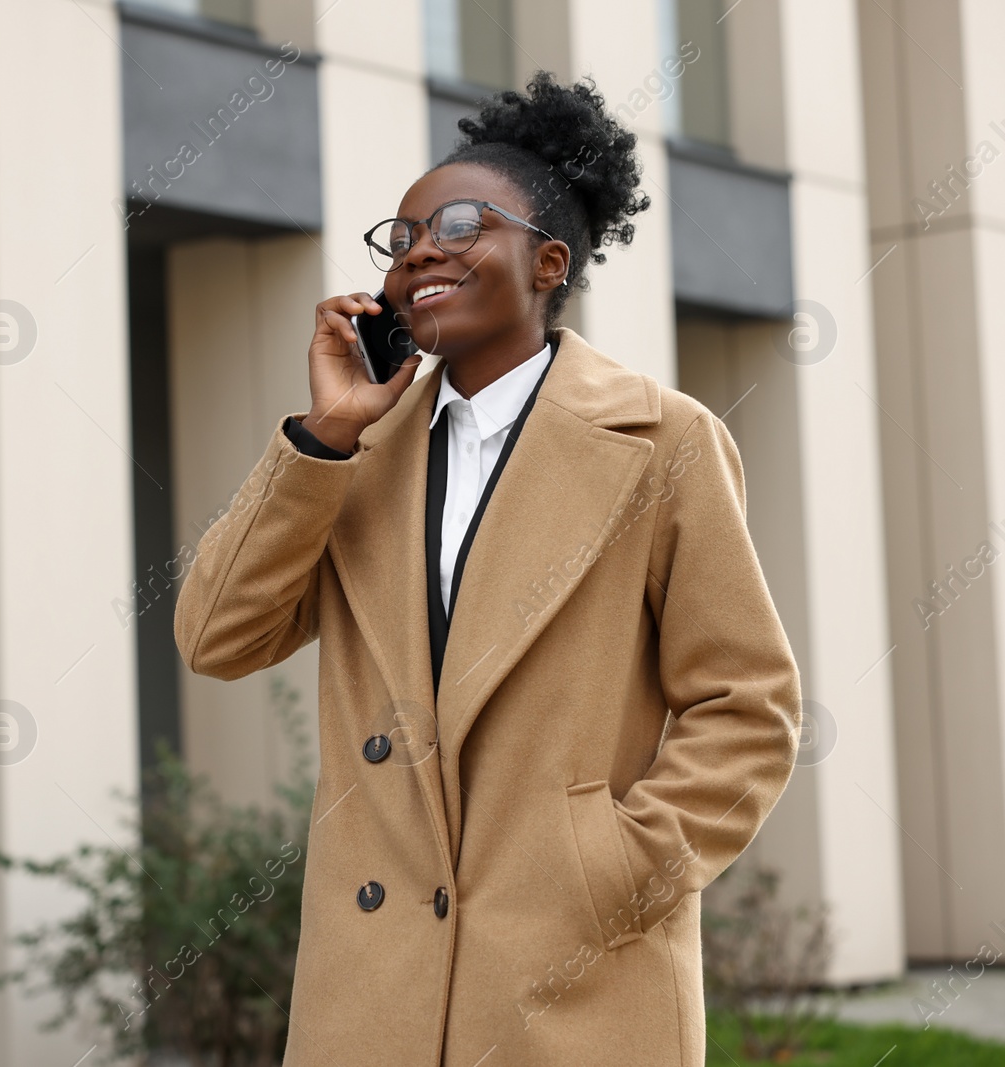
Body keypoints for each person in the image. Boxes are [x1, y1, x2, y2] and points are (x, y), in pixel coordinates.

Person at [172, 72, 802, 1067]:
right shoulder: (358, 454)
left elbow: (747, 702)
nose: (420, 248)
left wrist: (617, 867)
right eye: (402, 235)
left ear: (547, 259)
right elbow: (216, 636)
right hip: (370, 996)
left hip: (568, 978)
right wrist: (323, 436)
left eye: (458, 223)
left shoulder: (660, 439)